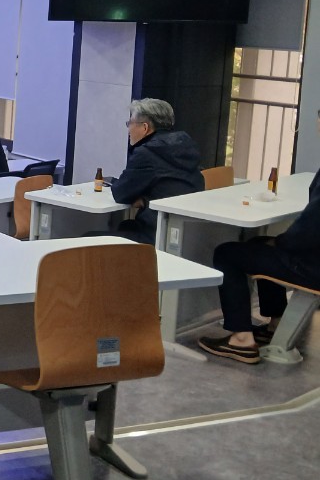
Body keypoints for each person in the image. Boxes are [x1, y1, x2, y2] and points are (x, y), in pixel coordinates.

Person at [200, 113, 320, 365]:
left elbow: (311, 228)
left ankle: (241, 340)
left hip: (311, 266)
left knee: (226, 253)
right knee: (259, 244)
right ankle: (275, 323)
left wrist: (281, 242)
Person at [109, 98, 205, 244]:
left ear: (144, 128)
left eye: (130, 123)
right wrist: (147, 200)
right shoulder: (186, 145)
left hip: (156, 234)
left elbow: (120, 193)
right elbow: (173, 187)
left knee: (89, 237)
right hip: (185, 233)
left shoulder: (146, 153)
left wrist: (142, 199)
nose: (128, 130)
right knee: (127, 225)